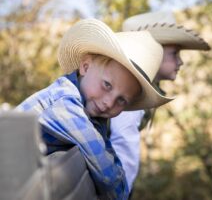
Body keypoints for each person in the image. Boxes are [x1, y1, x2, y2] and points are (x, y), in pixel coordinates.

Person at [15, 18, 172, 200]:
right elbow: (110, 179)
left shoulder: (92, 114)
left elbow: (109, 156)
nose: (108, 103)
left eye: (121, 100)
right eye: (107, 85)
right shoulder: (65, 103)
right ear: (85, 66)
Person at [109, 11, 211, 192]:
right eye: (174, 54)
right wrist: (121, 191)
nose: (180, 62)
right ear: (152, 52)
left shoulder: (139, 87)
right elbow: (123, 143)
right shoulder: (131, 91)